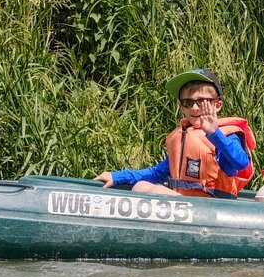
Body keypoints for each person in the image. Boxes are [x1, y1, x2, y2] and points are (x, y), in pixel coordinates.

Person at [94, 68, 255, 198]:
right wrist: (116, 177)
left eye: (201, 102)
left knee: (153, 190)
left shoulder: (227, 135)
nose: (194, 108)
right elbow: (157, 173)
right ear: (181, 107)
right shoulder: (183, 138)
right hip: (186, 209)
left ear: (217, 105)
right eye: (187, 102)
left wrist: (214, 133)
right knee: (143, 186)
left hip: (212, 209)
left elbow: (240, 163)